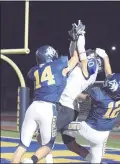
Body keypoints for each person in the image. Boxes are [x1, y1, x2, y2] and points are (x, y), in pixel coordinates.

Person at [30, 20, 113, 163]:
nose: (87, 55)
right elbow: (73, 53)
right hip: (66, 106)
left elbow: (80, 52)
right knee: (71, 145)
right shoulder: (81, 70)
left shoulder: (87, 70)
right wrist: (74, 39)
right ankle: (93, 160)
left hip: (65, 108)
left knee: (43, 135)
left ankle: (45, 159)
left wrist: (81, 35)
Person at [11, 45, 80, 163]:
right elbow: (75, 59)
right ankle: (32, 161)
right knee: (48, 145)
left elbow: (34, 74)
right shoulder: (58, 65)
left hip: (32, 108)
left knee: (22, 145)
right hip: (48, 108)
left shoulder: (34, 70)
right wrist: (77, 41)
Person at [64, 73, 120, 163]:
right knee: (96, 160)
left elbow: (86, 97)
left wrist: (72, 93)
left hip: (88, 128)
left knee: (62, 125)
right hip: (104, 135)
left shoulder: (99, 95)